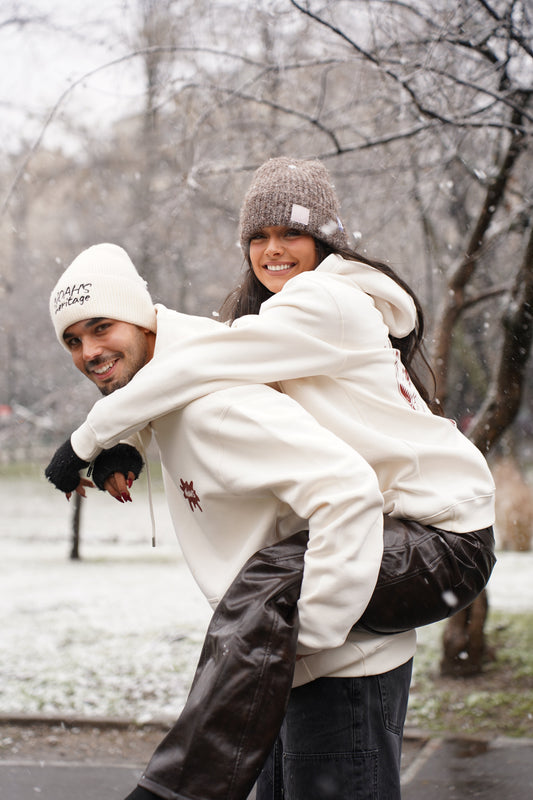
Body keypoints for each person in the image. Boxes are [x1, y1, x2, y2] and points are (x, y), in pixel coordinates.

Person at [45, 243, 421, 800]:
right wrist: (126, 443)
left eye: (102, 327)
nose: (89, 353)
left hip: (337, 669)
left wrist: (308, 635)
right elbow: (170, 379)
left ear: (144, 320)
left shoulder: (212, 405)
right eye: (73, 340)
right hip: (282, 663)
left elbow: (347, 489)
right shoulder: (182, 375)